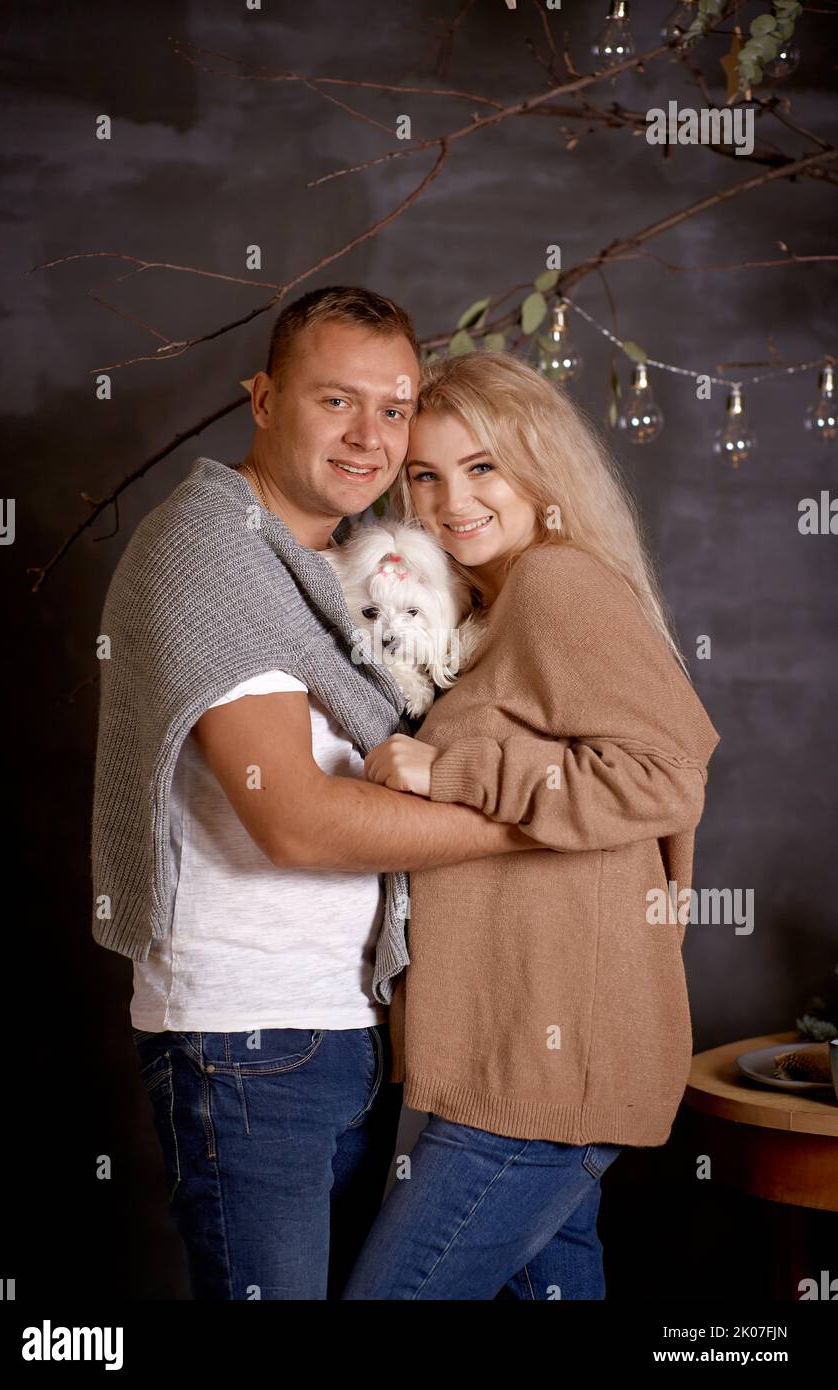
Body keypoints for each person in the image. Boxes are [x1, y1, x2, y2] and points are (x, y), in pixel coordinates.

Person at [90, 287, 541, 1301]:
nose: (368, 437)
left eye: (392, 407)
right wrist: (534, 825)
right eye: (335, 400)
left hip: (342, 1023)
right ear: (262, 398)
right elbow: (292, 821)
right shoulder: (210, 554)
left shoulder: (329, 569)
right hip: (249, 1034)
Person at [341, 350, 721, 1300]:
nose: (449, 500)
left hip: (547, 1072)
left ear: (539, 471)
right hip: (530, 1059)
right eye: (423, 475)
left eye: (482, 468)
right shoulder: (501, 605)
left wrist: (454, 768)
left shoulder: (556, 587)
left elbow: (666, 776)